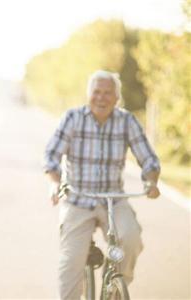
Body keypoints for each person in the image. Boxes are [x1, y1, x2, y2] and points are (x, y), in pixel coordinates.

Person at [43, 70, 161, 299]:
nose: (102, 97)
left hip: (113, 199)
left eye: (108, 93)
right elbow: (51, 156)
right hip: (78, 200)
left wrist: (151, 181)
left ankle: (116, 287)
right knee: (70, 267)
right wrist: (54, 183)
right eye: (97, 92)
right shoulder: (73, 118)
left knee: (131, 239)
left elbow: (149, 159)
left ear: (117, 98)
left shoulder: (126, 121)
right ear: (89, 95)